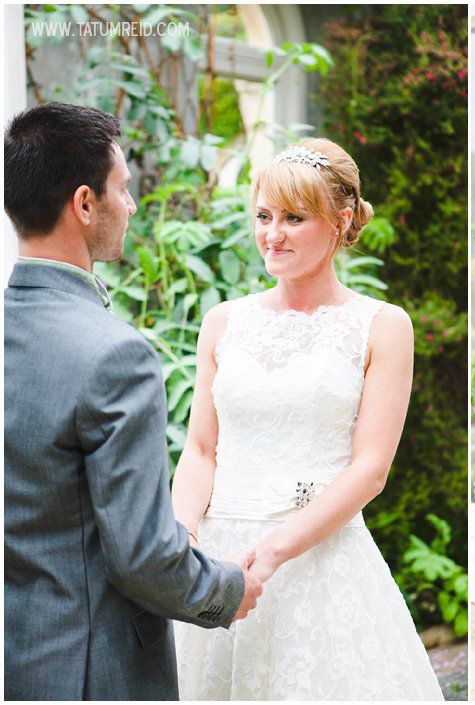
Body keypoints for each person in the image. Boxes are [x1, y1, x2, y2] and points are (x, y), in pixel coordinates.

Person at [3, 102, 262, 701]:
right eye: (123, 188)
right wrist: (227, 590)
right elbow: (142, 555)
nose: (133, 205)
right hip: (96, 671)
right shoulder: (115, 356)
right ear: (85, 203)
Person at [172, 138, 444, 700]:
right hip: (217, 562)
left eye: (294, 218)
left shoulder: (382, 325)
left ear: (342, 222)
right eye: (264, 216)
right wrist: (183, 539)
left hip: (318, 561)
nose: (273, 234)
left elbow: (370, 469)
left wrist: (276, 550)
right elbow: (201, 451)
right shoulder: (222, 323)